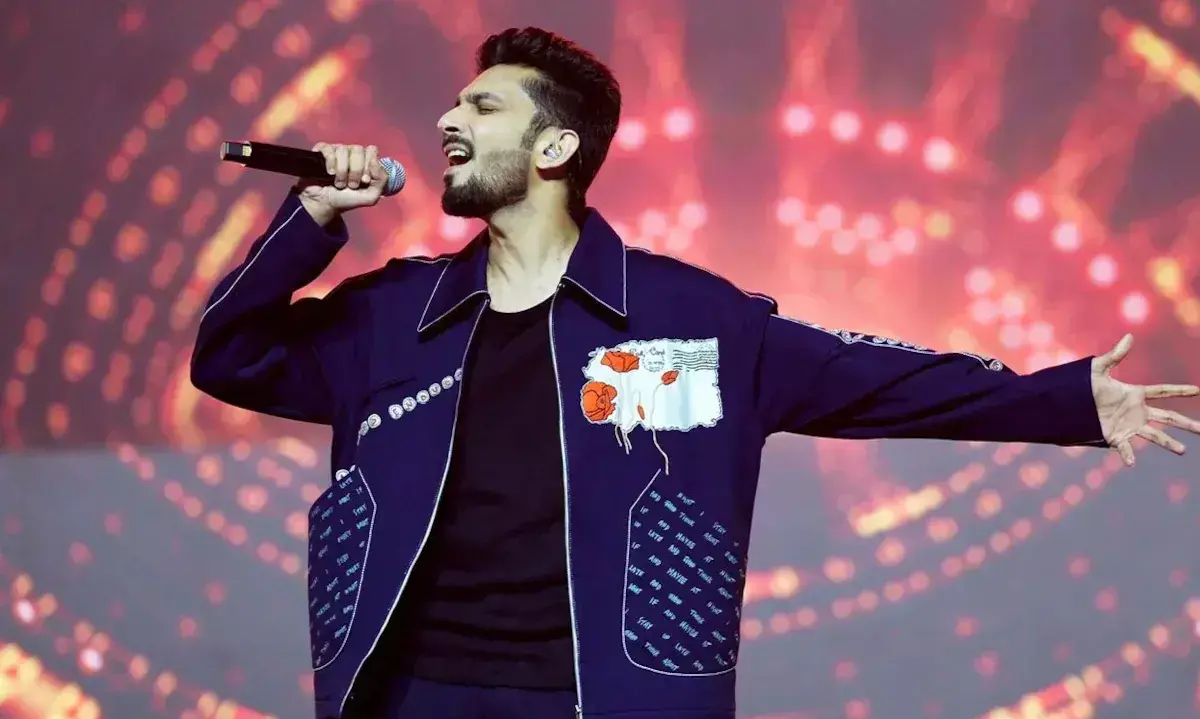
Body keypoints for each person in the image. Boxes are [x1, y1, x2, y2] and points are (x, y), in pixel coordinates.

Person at [190, 26, 1200, 719]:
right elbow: (230, 355)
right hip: (405, 696)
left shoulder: (683, 321)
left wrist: (1067, 400)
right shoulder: (391, 315)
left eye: (483, 105)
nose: (450, 120)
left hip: (609, 697)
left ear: (555, 145)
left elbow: (873, 378)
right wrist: (312, 216)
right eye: (456, 102)